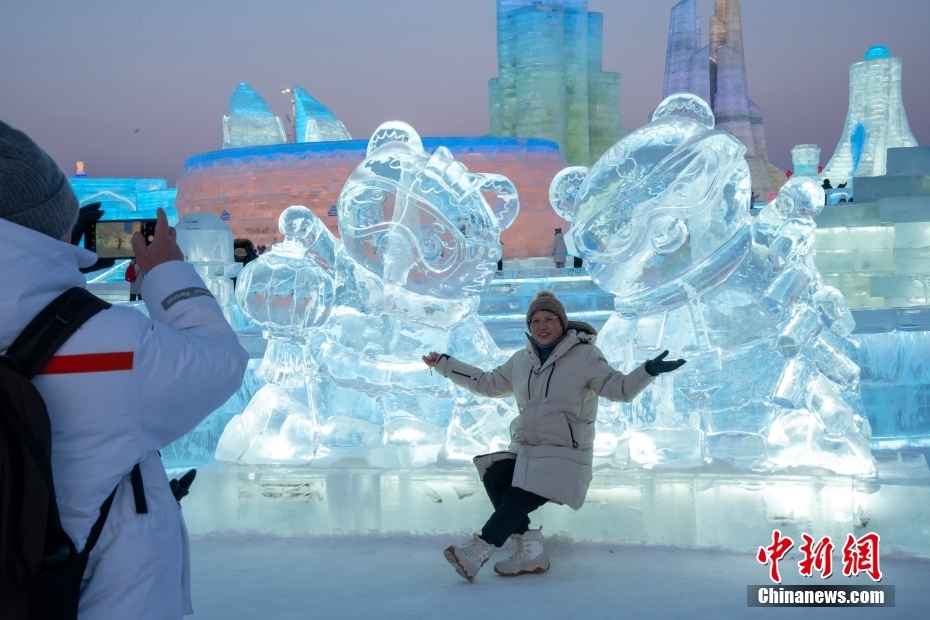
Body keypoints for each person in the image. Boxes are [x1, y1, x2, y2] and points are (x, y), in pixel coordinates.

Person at [0, 120, 249, 618]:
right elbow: (219, 363)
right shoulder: (109, 342)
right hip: (92, 595)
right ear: (50, 224)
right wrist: (167, 274)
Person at [422, 290, 686, 582]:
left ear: (562, 323)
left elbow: (618, 389)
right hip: (527, 448)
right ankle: (530, 548)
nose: (541, 325)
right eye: (535, 320)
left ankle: (477, 551)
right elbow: (486, 382)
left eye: (549, 318)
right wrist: (445, 364)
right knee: (495, 472)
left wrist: (647, 370)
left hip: (565, 451)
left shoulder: (585, 356)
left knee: (518, 494)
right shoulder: (521, 360)